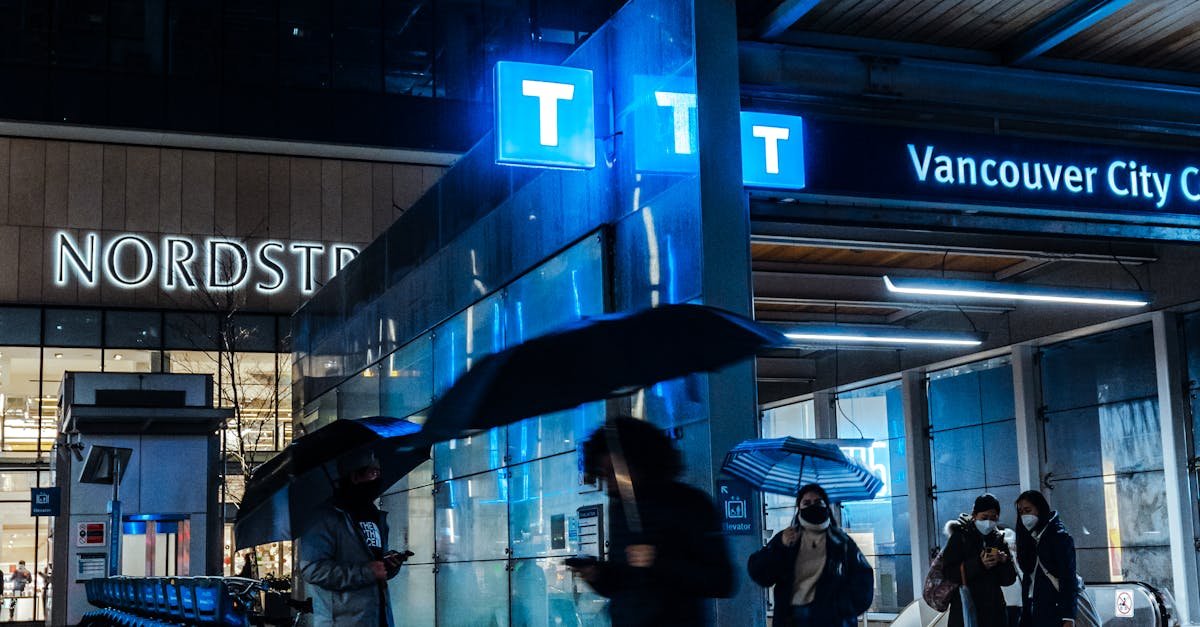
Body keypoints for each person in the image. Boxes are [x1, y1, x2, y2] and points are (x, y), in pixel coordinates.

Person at [568, 417, 734, 626]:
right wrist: (597, 575)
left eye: (614, 472)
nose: (607, 483)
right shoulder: (619, 508)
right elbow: (623, 583)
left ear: (639, 462)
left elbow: (722, 581)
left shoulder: (690, 503)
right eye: (602, 474)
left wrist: (660, 561)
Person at [298, 452, 409, 627]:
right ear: (355, 476)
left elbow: (375, 563)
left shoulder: (375, 516)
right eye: (372, 473)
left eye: (379, 473)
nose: (377, 478)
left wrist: (388, 565)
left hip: (378, 618)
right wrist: (367, 572)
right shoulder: (324, 518)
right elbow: (313, 569)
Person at [747, 484, 874, 627]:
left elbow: (864, 579)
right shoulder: (787, 537)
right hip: (792, 620)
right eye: (806, 503)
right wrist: (781, 547)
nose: (812, 506)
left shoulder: (841, 542)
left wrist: (843, 608)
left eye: (818, 502)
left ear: (826, 505)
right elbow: (760, 573)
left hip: (831, 621)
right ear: (799, 507)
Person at [942, 493, 1018, 627]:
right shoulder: (960, 537)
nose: (989, 522)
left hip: (994, 612)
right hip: (966, 608)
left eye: (993, 518)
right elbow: (949, 573)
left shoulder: (999, 539)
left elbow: (1009, 580)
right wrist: (979, 564)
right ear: (974, 515)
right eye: (984, 517)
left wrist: (1003, 561)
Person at [1014, 490, 1076, 627]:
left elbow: (1068, 578)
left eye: (1028, 510)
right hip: (1031, 608)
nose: (1024, 515)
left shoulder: (1059, 537)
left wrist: (1068, 617)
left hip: (1053, 610)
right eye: (1021, 512)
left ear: (1040, 509)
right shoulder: (1029, 537)